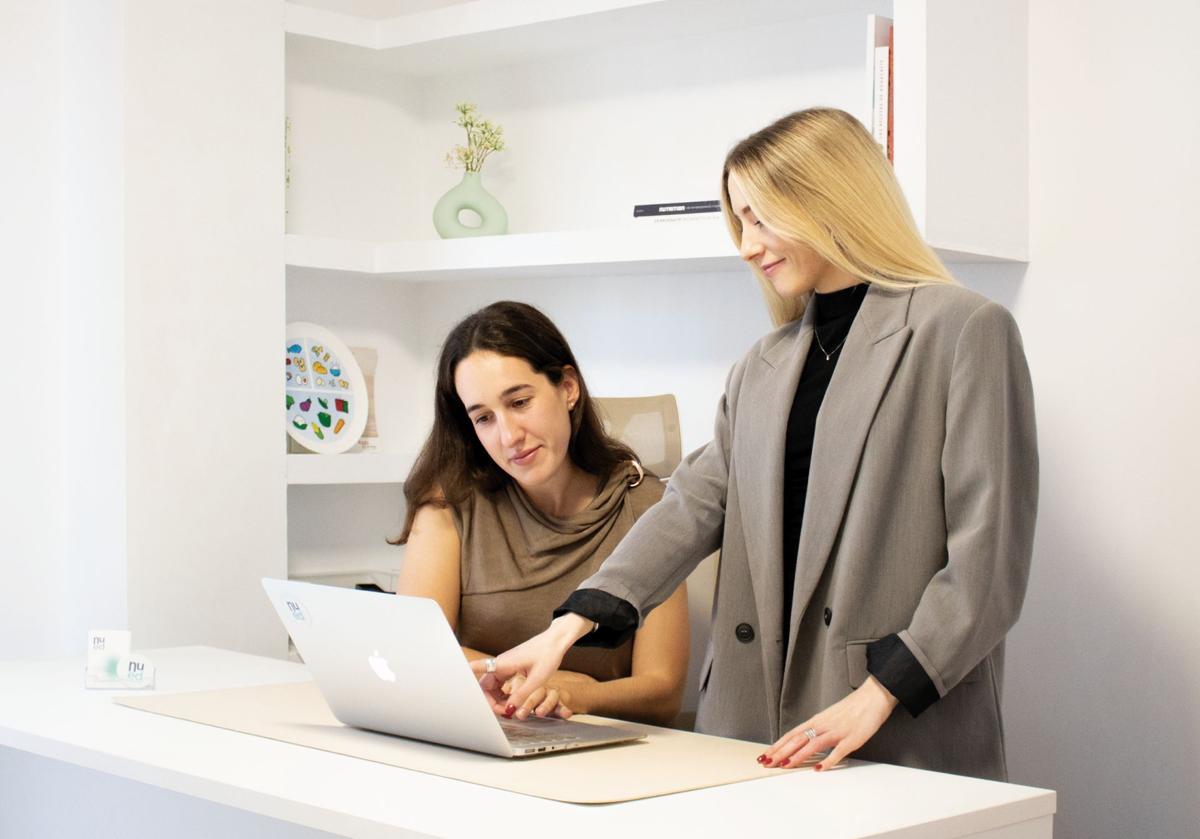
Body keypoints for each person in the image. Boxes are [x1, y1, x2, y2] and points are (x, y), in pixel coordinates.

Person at [472, 108, 1038, 781]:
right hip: (749, 731)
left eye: (762, 217)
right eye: (740, 220)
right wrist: (566, 629)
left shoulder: (963, 330)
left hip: (897, 727)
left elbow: (988, 563)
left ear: (832, 202)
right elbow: (689, 508)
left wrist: (878, 694)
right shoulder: (762, 365)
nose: (746, 243)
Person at [394, 300, 689, 727]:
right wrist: (530, 678)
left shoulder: (648, 508)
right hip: (477, 737)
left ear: (568, 387)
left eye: (519, 402)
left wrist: (580, 694)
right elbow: (413, 647)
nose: (509, 436)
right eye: (483, 418)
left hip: (603, 754)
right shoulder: (447, 507)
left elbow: (662, 692)